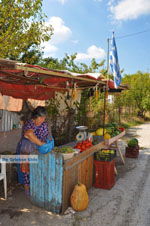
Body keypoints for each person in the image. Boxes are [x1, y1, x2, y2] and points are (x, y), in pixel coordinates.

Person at [16, 106, 52, 195]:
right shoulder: (30, 124)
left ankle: (37, 189)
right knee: (26, 171)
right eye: (41, 118)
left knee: (38, 170)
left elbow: (47, 134)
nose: (43, 120)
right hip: (27, 149)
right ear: (35, 117)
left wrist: (48, 144)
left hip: (39, 150)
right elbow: (29, 133)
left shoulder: (44, 124)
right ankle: (28, 191)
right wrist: (40, 144)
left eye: (44, 118)